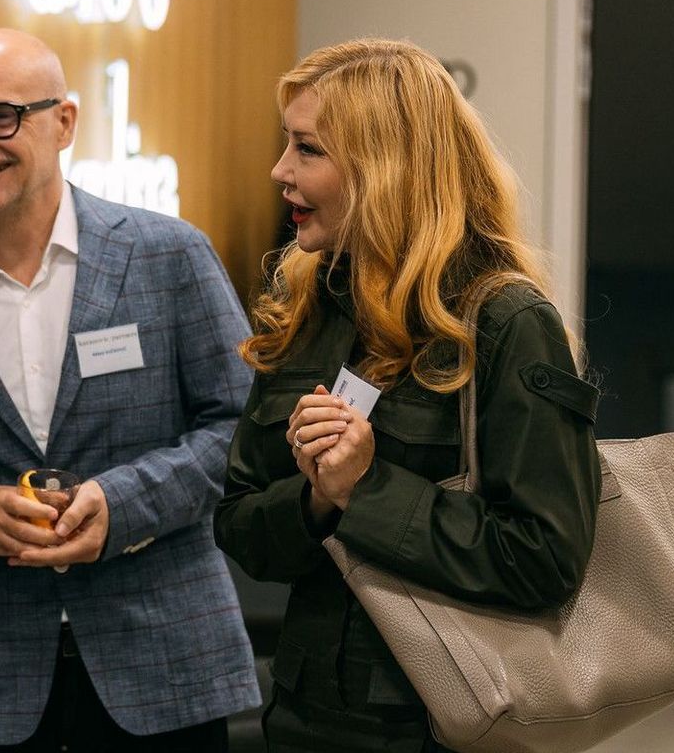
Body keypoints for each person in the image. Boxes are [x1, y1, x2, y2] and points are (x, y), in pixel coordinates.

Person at [0, 28, 260, 752]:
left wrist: (121, 503)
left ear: (65, 122)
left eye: (1, 116)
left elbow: (241, 428)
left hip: (166, 669)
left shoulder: (169, 255)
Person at [213, 38, 600, 752]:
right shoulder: (304, 310)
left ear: (385, 169)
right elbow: (241, 528)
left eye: (307, 149)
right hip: (306, 723)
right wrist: (317, 499)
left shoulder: (506, 322)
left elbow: (544, 559)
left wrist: (367, 489)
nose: (279, 171)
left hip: (447, 726)